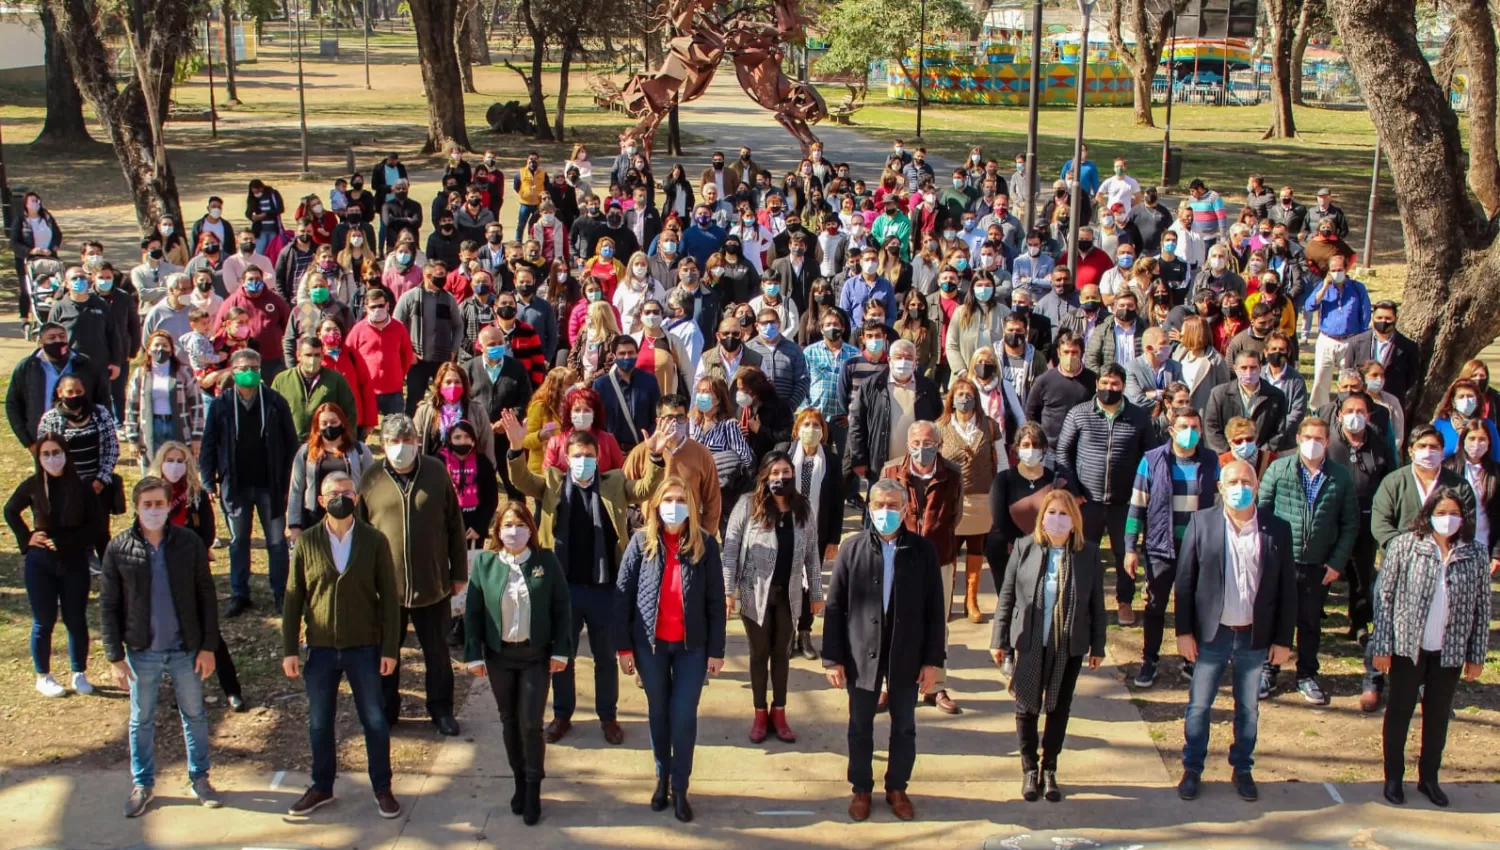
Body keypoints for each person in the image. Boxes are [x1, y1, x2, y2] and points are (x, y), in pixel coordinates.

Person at [501, 412, 667, 747]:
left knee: (606, 657)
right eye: (577, 457)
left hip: (605, 587)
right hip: (562, 588)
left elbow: (647, 488)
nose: (583, 462)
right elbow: (521, 481)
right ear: (566, 458)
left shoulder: (614, 483)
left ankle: (608, 717)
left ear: (598, 458)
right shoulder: (551, 482)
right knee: (563, 656)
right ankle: (562, 715)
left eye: (589, 457)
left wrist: (655, 456)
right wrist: (517, 448)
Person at [281, 472, 403, 820]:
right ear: (321, 501)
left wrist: (390, 649)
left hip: (364, 647)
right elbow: (293, 598)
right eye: (333, 493)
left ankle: (382, 788)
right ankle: (322, 786)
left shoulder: (374, 540)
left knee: (375, 721)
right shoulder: (306, 543)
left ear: (357, 497)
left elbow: (390, 601)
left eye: (347, 491)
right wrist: (289, 647)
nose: (341, 497)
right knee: (320, 722)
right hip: (320, 649)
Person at [823, 477, 945, 823]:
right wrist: (833, 658)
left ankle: (897, 788)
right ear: (869, 508)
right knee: (860, 724)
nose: (886, 512)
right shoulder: (852, 549)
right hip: (861, 651)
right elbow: (834, 608)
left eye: (893, 505)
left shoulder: (923, 551)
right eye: (880, 505)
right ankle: (861, 788)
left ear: (905, 509)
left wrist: (933, 660)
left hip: (907, 651)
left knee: (904, 724)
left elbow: (936, 610)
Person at [1175, 460, 1296, 804]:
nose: (1240, 486)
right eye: (1233, 481)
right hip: (1212, 634)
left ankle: (1242, 768)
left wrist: (1283, 639)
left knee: (1248, 708)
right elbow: (1184, 584)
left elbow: (1288, 589)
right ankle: (1192, 768)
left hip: (1254, 636)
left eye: (1247, 480)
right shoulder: (1202, 523)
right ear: (1220, 487)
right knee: (1199, 705)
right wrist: (1184, 632)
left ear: (1257, 487)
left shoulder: (1277, 530)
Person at [102, 476, 222, 817]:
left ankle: (200, 777)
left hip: (186, 649)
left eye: (159, 504)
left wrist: (208, 646)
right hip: (142, 651)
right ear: (137, 507)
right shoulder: (119, 548)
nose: (154, 510)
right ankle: (143, 783)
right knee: (141, 719)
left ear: (169, 505)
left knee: (195, 714)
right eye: (147, 505)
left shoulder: (188, 544)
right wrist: (115, 657)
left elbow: (206, 596)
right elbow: (108, 605)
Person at [614, 478, 727, 823]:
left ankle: (681, 786)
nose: (674, 506)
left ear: (691, 506)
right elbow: (622, 598)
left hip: (692, 648)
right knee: (659, 715)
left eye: (681, 499)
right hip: (651, 647)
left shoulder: (705, 546)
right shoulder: (640, 543)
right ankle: (662, 776)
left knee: (683, 717)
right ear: (657, 505)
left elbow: (715, 602)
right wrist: (623, 648)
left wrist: (717, 650)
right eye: (668, 499)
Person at [1371, 487, 1491, 808]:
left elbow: (1482, 609)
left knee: (1437, 717)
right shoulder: (1405, 547)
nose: (1447, 519)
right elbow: (1385, 599)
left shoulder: (1475, 553)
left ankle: (1429, 778)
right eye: (1441, 513)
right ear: (1427, 515)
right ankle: (1394, 777)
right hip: (1409, 648)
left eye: (1454, 513)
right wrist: (1381, 646)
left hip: (1449, 651)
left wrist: (1476, 656)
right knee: (1399, 713)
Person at [991, 489, 1105, 803]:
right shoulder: (1025, 548)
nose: (1057, 520)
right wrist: (999, 640)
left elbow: (1096, 604)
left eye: (1064, 514)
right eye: (1051, 513)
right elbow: (1007, 597)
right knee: (1026, 707)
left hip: (1069, 645)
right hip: (1028, 641)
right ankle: (1029, 769)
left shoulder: (1088, 553)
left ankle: (1049, 768)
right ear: (1042, 517)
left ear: (1074, 520)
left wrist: (1098, 645)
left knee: (1058, 707)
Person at [463, 500, 572, 826]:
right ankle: (518, 782)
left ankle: (534, 787)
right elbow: (473, 612)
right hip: (499, 658)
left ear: (531, 529)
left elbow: (561, 607)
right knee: (509, 721)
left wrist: (560, 651)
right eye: (508, 525)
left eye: (521, 524)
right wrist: (473, 654)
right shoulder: (485, 563)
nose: (514, 531)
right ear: (497, 529)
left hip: (535, 657)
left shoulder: (545, 561)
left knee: (530, 723)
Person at [359, 414, 468, 735]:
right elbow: (360, 533)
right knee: (385, 653)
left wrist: (458, 571)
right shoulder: (371, 478)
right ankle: (385, 710)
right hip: (386, 588)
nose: (402, 448)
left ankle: (441, 710)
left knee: (437, 653)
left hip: (432, 583)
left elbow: (454, 526)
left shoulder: (436, 472)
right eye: (394, 442)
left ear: (417, 442)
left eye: (408, 441)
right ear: (384, 445)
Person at [1365, 425, 1479, 711]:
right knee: (1385, 617)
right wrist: (1402, 553)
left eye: (1434, 447)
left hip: (1444, 565)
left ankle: (1431, 687)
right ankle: (1374, 681)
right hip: (1400, 564)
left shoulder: (1458, 485)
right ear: (1411, 450)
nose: (1428, 452)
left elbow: (1467, 525)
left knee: (1438, 624)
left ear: (1443, 451)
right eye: (1422, 446)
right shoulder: (1395, 482)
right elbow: (1381, 522)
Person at [1255, 417, 1359, 704]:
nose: (1313, 443)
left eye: (1319, 438)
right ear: (1299, 438)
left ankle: (1307, 674)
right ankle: (1268, 669)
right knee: (1274, 617)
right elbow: (1261, 512)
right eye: (1308, 437)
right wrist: (1265, 554)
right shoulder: (1279, 468)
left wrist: (1336, 563)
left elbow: (1350, 523)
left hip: (1318, 566)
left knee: (1310, 621)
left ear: (1327, 442)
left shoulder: (1340, 476)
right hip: (1280, 562)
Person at [723, 453, 823, 743]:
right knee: (758, 654)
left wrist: (816, 592)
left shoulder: (802, 508)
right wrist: (729, 590)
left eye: (786, 472)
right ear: (765, 477)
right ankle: (759, 713)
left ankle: (779, 712)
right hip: (755, 594)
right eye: (775, 472)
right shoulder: (748, 505)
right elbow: (730, 548)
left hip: (789, 594)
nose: (781, 477)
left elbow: (813, 553)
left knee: (781, 655)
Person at [1123, 406, 1219, 688]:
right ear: (1172, 430)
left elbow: (1221, 503)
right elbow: (1137, 506)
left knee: (1194, 604)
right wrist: (1131, 547)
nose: (1190, 433)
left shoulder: (1211, 461)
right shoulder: (1152, 461)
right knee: (1155, 606)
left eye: (1195, 427)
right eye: (1184, 427)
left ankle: (1192, 658)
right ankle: (1150, 659)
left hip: (1199, 548)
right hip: (1161, 547)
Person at [199, 349, 298, 616]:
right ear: (233, 371)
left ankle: (280, 592)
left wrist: (291, 480)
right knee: (238, 541)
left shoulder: (275, 402)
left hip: (270, 485)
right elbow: (208, 444)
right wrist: (208, 480)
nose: (250, 373)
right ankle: (240, 593)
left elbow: (291, 443)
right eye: (244, 368)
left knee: (276, 541)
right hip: (236, 485)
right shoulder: (221, 405)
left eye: (254, 367)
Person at [5, 434, 106, 697]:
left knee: (76, 618)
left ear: (66, 454)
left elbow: (97, 527)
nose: (52, 459)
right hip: (41, 563)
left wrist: (68, 541)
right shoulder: (33, 485)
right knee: (44, 620)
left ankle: (79, 673)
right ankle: (43, 675)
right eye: (46, 454)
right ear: (39, 458)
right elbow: (10, 510)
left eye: (56, 452)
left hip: (73, 560)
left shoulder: (82, 488)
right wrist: (27, 539)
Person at [149, 441, 247, 711]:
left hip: (193, 573)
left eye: (180, 460)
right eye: (169, 460)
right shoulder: (151, 495)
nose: (175, 466)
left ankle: (232, 690)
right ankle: (182, 693)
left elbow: (207, 535)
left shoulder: (197, 496)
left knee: (209, 630)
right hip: (159, 575)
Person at [1055, 362, 1155, 624]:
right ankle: (1084, 603)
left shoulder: (1138, 417)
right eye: (1105, 383)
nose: (1109, 388)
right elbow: (1063, 452)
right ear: (1096, 384)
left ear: (1123, 386)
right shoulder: (1079, 414)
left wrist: (1141, 493)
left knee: (1126, 555)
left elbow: (1150, 457)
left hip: (1125, 503)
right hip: (1087, 500)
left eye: (1115, 384)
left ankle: (1124, 602)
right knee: (1084, 553)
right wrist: (1073, 490)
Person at [1330, 392, 1398, 644]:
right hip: (1333, 522)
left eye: (1360, 412)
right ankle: (1312, 619)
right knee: (1325, 572)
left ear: (1369, 416)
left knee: (1362, 576)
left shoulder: (1379, 445)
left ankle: (1359, 622)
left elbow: (1389, 479)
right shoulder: (1329, 444)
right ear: (1339, 415)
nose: (1354, 417)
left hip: (1367, 520)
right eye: (1349, 411)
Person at [938, 377, 1004, 623]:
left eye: (969, 393)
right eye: (959, 393)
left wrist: (1001, 493)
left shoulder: (989, 425)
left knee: (977, 549)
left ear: (976, 398)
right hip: (951, 501)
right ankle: (947, 599)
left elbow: (1002, 462)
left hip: (981, 499)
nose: (964, 398)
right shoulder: (940, 426)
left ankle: (971, 599)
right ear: (951, 398)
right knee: (949, 551)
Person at [847, 339, 942, 484]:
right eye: (899, 357)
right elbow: (857, 422)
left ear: (916, 362)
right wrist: (859, 458)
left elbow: (939, 422)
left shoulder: (928, 387)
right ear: (890, 360)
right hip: (881, 466)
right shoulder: (872, 386)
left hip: (919, 466)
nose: (904, 362)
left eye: (909, 358)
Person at [6, 323, 111, 448]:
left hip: (81, 437)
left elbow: (102, 400)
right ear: (40, 342)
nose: (58, 340)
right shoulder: (27, 367)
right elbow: (13, 404)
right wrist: (28, 442)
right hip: (42, 441)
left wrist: (103, 431)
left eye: (62, 336)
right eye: (52, 338)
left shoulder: (84, 364)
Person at [287, 402, 376, 538]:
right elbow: (296, 489)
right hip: (314, 519)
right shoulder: (305, 452)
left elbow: (372, 487)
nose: (329, 426)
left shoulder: (359, 451)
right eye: (324, 423)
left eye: (334, 422)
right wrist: (294, 525)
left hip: (352, 517)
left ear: (342, 422)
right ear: (317, 427)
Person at [121, 331, 204, 473]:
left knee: (179, 468)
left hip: (178, 427)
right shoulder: (141, 374)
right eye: (156, 345)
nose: (160, 349)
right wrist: (133, 438)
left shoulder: (183, 372)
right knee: (153, 470)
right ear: (148, 349)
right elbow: (131, 407)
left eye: (165, 346)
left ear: (171, 350)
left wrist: (197, 436)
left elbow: (197, 405)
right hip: (152, 427)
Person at [395, 262, 464, 415]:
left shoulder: (449, 299)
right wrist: (408, 352)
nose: (443, 278)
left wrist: (454, 349)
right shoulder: (409, 297)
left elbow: (458, 326)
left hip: (441, 359)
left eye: (444, 274)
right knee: (414, 399)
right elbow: (397, 327)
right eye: (439, 274)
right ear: (427, 276)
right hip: (416, 360)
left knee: (444, 397)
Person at [1304, 254, 1370, 407]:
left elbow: (1365, 314)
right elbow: (1309, 306)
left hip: (1350, 339)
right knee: (1321, 378)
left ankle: (1348, 406)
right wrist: (1325, 287)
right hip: (1327, 338)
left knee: (1349, 378)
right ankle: (1319, 411)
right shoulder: (1323, 286)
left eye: (1340, 269)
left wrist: (1358, 339)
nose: (1337, 273)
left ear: (1346, 269)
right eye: (1333, 270)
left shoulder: (1357, 288)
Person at [271, 336, 358, 444]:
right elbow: (272, 413)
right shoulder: (282, 380)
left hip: (324, 443)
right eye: (308, 355)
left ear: (322, 356)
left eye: (317, 355)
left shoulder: (336, 380)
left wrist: (344, 440)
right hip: (290, 443)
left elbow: (350, 412)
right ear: (298, 355)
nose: (313, 359)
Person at [343, 287, 414, 420]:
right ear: (366, 308)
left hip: (394, 391)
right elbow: (348, 356)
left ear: (387, 305)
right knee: (363, 429)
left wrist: (399, 375)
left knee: (395, 429)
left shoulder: (399, 327)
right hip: (367, 390)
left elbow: (407, 355)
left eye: (380, 305)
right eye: (373, 306)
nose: (377, 309)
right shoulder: (358, 329)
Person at [1203, 350, 1288, 454]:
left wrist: (1260, 453)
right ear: (1235, 368)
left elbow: (1279, 431)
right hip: (1228, 458)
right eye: (1243, 368)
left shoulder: (1276, 396)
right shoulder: (1219, 394)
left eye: (1253, 367)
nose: (1249, 372)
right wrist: (1229, 453)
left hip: (1261, 459)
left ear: (1260, 367)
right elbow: (1211, 427)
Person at [1024, 333, 1095, 448]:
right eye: (1066, 352)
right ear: (1058, 353)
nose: (1070, 356)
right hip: (1051, 449)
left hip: (1082, 448)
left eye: (1074, 352)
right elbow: (1031, 415)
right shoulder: (1043, 381)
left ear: (1081, 353)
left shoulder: (1092, 380)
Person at [594, 334, 661, 455]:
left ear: (637, 354)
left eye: (631, 353)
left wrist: (649, 441)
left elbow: (656, 417)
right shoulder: (601, 385)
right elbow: (598, 421)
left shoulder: (649, 381)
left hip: (643, 449)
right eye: (622, 354)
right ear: (614, 356)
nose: (626, 357)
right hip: (613, 451)